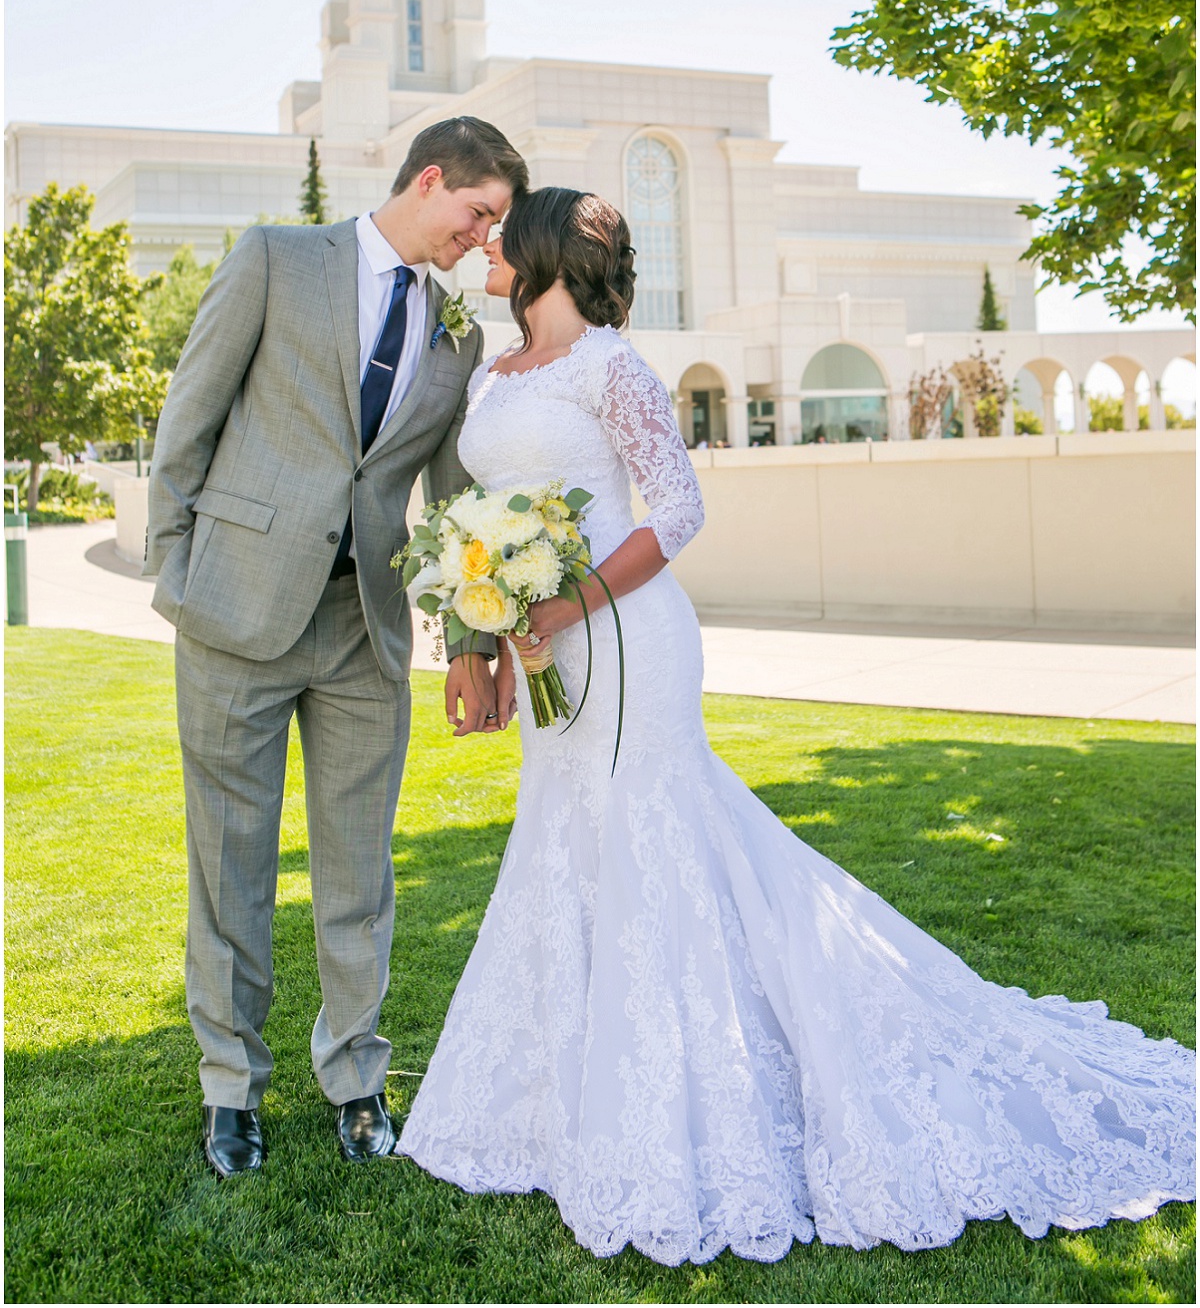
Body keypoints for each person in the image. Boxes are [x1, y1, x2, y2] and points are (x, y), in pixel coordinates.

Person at [397, 186, 1195, 1266]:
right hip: (543, 652)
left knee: (653, 845)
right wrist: (489, 624)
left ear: (541, 254)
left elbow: (675, 508)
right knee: (566, 845)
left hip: (629, 645)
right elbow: (474, 517)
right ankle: (556, 1100)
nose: (487, 246)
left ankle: (687, 1096)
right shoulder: (494, 373)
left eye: (505, 234)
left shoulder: (614, 365)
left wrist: (562, 603)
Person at [144, 116, 527, 1178]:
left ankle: (356, 1077)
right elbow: (191, 418)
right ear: (434, 177)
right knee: (231, 862)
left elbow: (451, 500)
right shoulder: (276, 257)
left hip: (366, 628)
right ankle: (232, 1087)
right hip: (236, 612)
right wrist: (174, 572)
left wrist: (470, 640)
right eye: (480, 212)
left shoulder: (459, 335)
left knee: (359, 868)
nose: (484, 239)